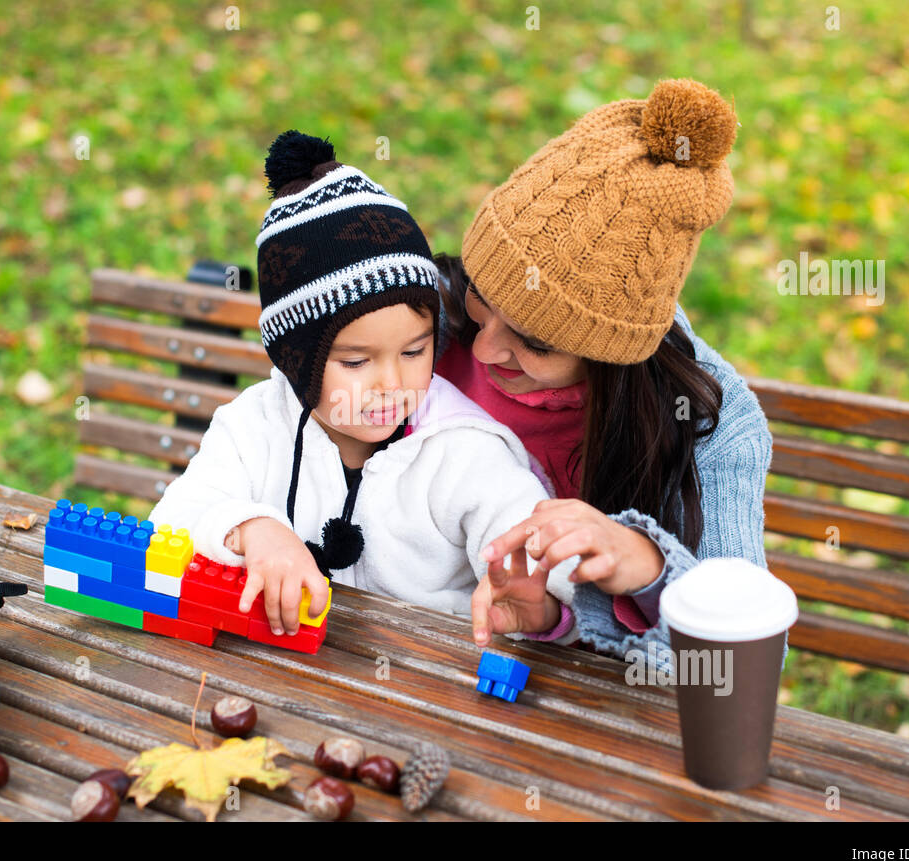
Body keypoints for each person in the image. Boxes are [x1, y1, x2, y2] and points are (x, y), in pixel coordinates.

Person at [147, 130, 578, 638]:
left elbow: (543, 559)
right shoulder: (254, 426)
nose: (392, 384)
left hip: (426, 695)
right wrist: (249, 529)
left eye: (415, 352)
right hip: (277, 682)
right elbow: (172, 519)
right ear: (296, 360)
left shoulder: (465, 452)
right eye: (356, 362)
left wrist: (546, 608)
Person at [431, 79, 782, 672]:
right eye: (481, 301)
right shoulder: (425, 321)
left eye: (535, 343)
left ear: (607, 356)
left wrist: (646, 569)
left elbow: (749, 658)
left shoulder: (713, 427)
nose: (486, 351)